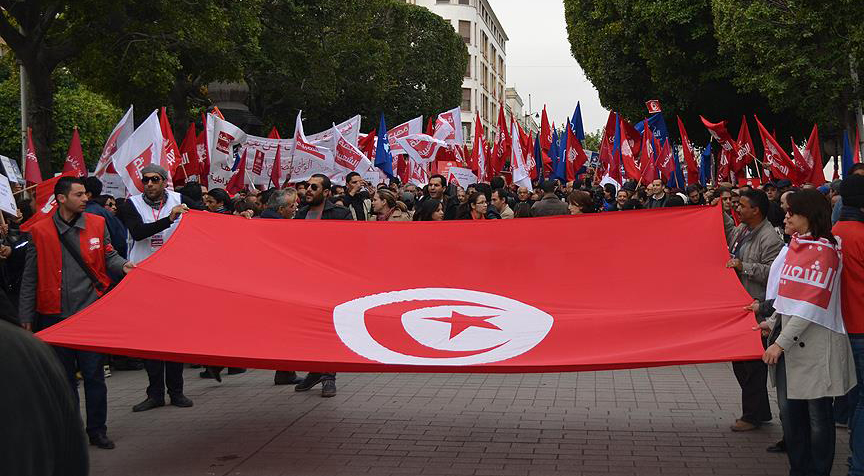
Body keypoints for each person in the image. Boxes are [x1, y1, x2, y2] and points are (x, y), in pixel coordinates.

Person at [19, 176, 133, 449]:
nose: (86, 199)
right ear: (61, 198)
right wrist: (25, 318)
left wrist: (126, 266)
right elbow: (30, 277)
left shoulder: (97, 223)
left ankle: (97, 430)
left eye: (85, 195)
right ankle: (69, 432)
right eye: (79, 195)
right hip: (54, 316)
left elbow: (109, 256)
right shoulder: (40, 231)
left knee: (94, 376)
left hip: (89, 314)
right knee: (63, 380)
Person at [757, 189, 855, 476]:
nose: (785, 216)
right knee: (790, 415)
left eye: (792, 212)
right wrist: (773, 320)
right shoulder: (796, 247)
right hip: (788, 343)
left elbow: (811, 304)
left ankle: (817, 470)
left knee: (817, 418)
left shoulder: (826, 251)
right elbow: (790, 296)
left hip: (814, 345)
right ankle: (798, 469)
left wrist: (780, 343)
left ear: (809, 216)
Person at [117, 164, 195, 413]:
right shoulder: (130, 205)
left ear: (164, 181)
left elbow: (210, 216)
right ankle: (155, 393)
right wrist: (169, 219)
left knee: (174, 338)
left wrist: (241, 216)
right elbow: (138, 233)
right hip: (144, 277)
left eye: (154, 180)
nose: (149, 184)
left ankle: (177, 391)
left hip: (175, 278)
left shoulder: (180, 199)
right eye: (145, 180)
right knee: (150, 339)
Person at [724, 189, 784, 432]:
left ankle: (751, 415)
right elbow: (729, 236)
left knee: (751, 365)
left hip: (758, 308)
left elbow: (775, 273)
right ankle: (758, 411)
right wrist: (718, 214)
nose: (738, 209)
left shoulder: (770, 238)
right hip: (742, 306)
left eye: (742, 206)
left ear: (756, 210)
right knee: (741, 362)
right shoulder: (743, 230)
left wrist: (744, 266)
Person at [0, 320, 89, 475]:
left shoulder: (24, 346)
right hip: (54, 320)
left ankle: (97, 430)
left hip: (84, 319)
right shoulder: (28, 345)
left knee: (92, 378)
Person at [294, 174, 351, 397]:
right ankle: (315, 370)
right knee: (310, 330)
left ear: (326, 192)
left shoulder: (340, 214)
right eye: (307, 186)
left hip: (330, 282)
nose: (308, 190)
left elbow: (350, 245)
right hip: (305, 283)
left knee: (328, 330)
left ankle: (328, 377)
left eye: (314, 187)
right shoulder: (300, 214)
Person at [833, 174, 864, 472]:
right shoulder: (861, 235)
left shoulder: (832, 232)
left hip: (838, 327)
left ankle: (856, 457)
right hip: (861, 327)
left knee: (856, 399)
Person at [83, 177, 128, 259]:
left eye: (80, 193)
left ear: (88, 194)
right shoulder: (104, 212)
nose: (114, 208)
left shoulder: (90, 213)